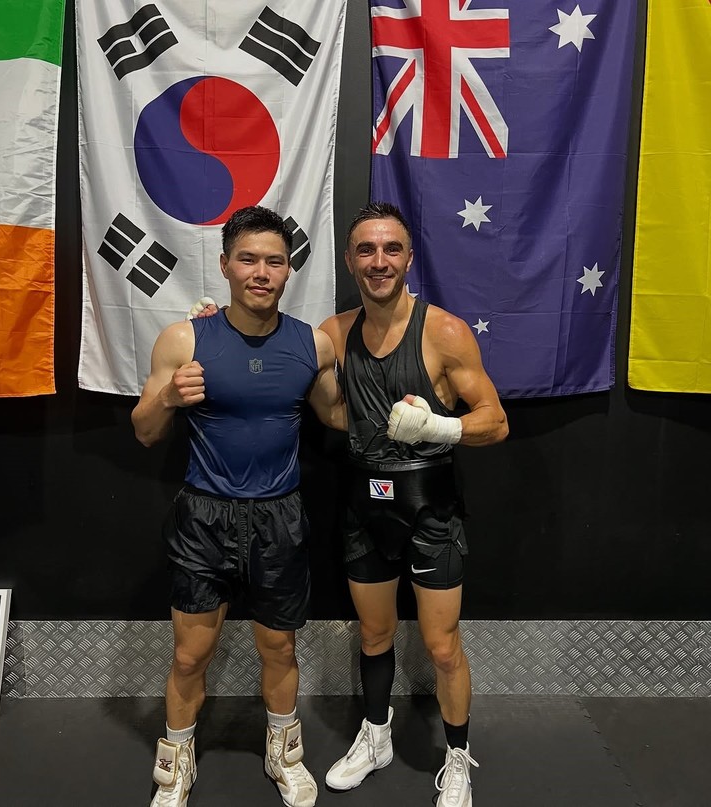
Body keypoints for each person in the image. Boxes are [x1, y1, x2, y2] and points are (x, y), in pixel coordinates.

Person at [189, 201, 508, 807]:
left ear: (409, 258)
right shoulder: (333, 334)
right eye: (366, 250)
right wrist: (213, 326)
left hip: (429, 507)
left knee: (442, 646)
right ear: (349, 260)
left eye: (391, 249)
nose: (379, 261)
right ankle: (376, 735)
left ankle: (459, 758)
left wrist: (440, 430)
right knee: (372, 633)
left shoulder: (443, 331)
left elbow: (495, 422)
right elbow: (276, 356)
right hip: (365, 505)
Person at [131, 205, 347, 807]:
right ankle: (175, 768)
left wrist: (409, 408)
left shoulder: (315, 345)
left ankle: (286, 757)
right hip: (205, 515)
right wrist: (170, 397)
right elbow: (145, 430)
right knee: (190, 652)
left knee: (279, 647)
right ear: (225, 265)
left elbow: (337, 415)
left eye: (273, 261)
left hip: (279, 516)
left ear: (288, 271)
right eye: (248, 259)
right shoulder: (185, 338)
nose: (261, 272)